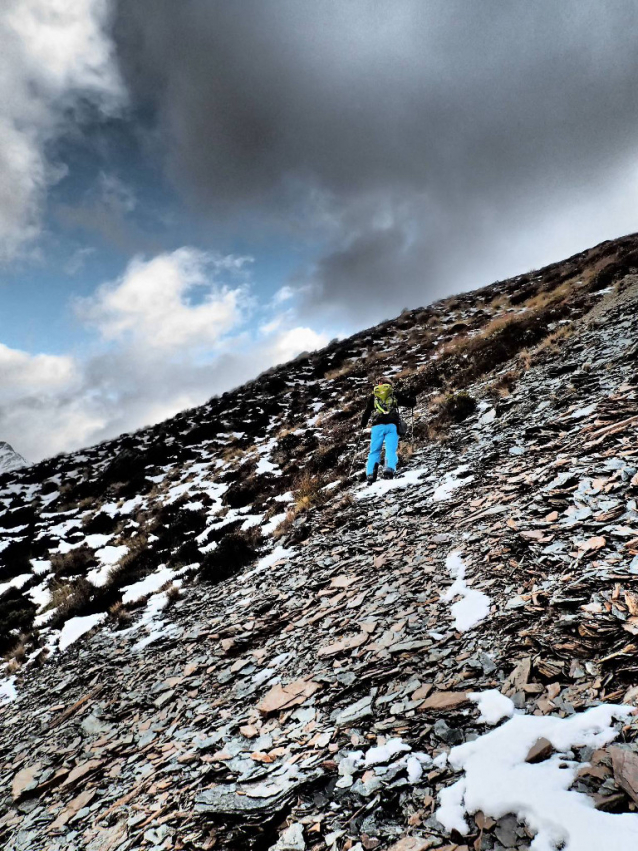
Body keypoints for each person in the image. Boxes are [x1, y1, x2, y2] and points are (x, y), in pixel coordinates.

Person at [360, 376, 416, 484]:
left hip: (377, 427)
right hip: (392, 425)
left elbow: (367, 411)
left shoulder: (374, 396)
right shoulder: (393, 393)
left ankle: (371, 474)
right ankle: (389, 470)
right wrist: (413, 396)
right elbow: (411, 403)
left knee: (374, 451)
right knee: (390, 449)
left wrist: (363, 424)